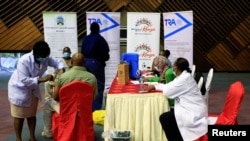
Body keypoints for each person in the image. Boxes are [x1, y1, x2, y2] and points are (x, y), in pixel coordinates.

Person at [8, 41, 65, 141]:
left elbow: (58, 63)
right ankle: (18, 138)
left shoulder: (45, 58)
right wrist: (44, 79)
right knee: (19, 116)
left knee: (31, 114)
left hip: (33, 89)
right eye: (42, 57)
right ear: (35, 54)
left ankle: (32, 137)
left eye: (46, 56)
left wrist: (61, 70)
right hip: (19, 89)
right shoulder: (24, 60)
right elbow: (23, 80)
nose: (44, 59)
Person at [145, 57, 208, 141]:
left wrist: (155, 86)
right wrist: (155, 86)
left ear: (178, 68)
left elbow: (168, 92)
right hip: (189, 107)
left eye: (174, 66)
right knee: (168, 117)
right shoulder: (184, 76)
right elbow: (169, 86)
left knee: (165, 118)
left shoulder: (183, 79)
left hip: (192, 112)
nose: (172, 68)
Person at [41, 52, 98, 138]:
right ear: (84, 62)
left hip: (66, 110)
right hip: (84, 110)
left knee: (48, 103)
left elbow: (56, 97)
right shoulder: (92, 78)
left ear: (71, 62)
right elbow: (93, 97)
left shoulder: (63, 77)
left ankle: (48, 132)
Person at [81, 22, 110, 111]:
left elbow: (82, 51)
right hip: (97, 64)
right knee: (99, 85)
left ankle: (86, 107)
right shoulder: (100, 39)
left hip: (85, 63)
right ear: (98, 29)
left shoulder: (85, 39)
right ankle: (96, 109)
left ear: (90, 29)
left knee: (86, 85)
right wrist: (105, 59)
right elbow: (105, 53)